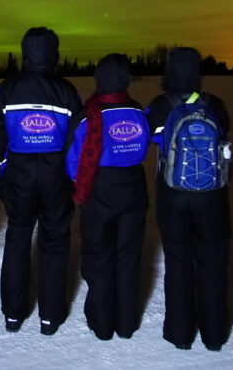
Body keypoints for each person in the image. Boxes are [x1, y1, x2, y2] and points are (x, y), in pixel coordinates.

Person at [0, 27, 82, 335]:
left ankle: (12, 314)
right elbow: (77, 139)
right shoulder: (66, 90)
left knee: (17, 238)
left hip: (19, 177)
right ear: (54, 54)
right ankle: (50, 317)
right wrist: (74, 179)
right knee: (54, 243)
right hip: (55, 177)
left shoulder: (8, 89)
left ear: (25, 53)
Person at [145, 47, 232, 351]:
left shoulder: (159, 106)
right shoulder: (215, 105)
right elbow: (224, 137)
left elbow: (150, 139)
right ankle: (214, 336)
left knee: (178, 262)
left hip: (173, 196)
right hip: (212, 198)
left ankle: (180, 335)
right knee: (212, 264)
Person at [65, 53, 150, 341]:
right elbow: (144, 144)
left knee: (99, 257)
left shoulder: (89, 114)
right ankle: (126, 323)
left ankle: (102, 324)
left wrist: (79, 185)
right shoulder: (138, 110)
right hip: (133, 186)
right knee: (128, 257)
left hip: (100, 188)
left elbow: (73, 159)